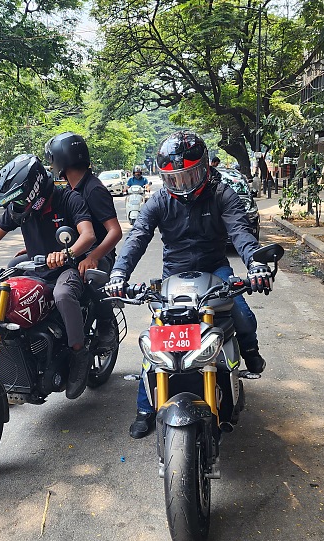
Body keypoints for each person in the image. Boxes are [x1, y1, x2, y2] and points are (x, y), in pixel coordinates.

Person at [106, 131, 273, 439]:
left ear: (206, 169)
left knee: (243, 315)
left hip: (215, 268)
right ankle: (145, 408)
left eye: (190, 175)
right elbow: (137, 237)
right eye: (174, 178)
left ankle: (248, 351)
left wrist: (256, 264)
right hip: (174, 275)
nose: (182, 184)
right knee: (157, 339)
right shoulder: (157, 201)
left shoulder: (222, 194)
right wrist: (119, 274)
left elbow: (240, 232)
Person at [0, 154, 97, 400]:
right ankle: (17, 360)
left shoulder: (69, 199)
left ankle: (79, 353)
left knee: (62, 295)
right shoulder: (19, 207)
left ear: (33, 191)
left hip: (66, 267)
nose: (15, 208)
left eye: (18, 200)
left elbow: (88, 235)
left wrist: (66, 253)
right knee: (3, 287)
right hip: (36, 266)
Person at [45, 132, 123, 348]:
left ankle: (106, 320)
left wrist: (95, 257)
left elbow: (115, 231)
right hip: (78, 250)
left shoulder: (93, 189)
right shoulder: (70, 190)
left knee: (89, 276)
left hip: (98, 252)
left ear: (60, 160)